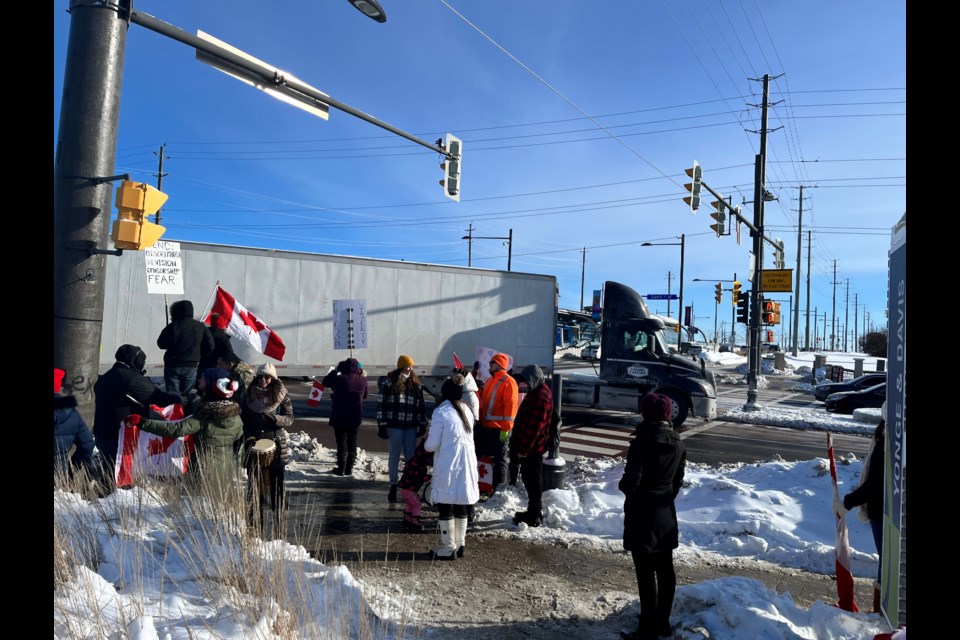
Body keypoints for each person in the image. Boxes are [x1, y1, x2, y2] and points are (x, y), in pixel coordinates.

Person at [618, 392, 686, 640]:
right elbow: (678, 480)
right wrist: (664, 495)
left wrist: (625, 489)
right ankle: (662, 623)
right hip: (665, 511)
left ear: (646, 414)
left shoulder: (641, 442)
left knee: (645, 572)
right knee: (665, 569)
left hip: (642, 512)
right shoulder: (678, 441)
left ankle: (647, 628)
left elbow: (630, 481)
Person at [129, 368, 243, 500]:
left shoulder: (205, 416)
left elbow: (177, 429)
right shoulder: (236, 417)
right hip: (225, 469)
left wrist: (143, 423)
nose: (199, 380)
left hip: (203, 469)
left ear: (213, 386)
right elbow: (238, 435)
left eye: (203, 379)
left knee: (198, 504)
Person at [93, 344, 183, 493]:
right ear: (134, 360)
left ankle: (105, 491)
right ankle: (116, 495)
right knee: (119, 467)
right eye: (142, 360)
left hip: (102, 428)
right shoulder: (130, 378)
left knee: (109, 464)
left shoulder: (108, 375)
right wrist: (178, 399)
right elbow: (156, 397)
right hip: (119, 431)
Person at [837, 402, 886, 613]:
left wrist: (847, 503)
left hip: (884, 512)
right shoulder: (888, 435)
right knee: (889, 562)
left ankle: (882, 612)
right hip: (884, 510)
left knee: (888, 564)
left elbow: (876, 483)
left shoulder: (889, 439)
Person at [424, 375, 479, 560]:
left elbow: (431, 445)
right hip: (467, 464)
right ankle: (460, 544)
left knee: (446, 504)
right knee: (460, 502)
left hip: (449, 464)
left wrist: (425, 443)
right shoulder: (468, 410)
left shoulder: (442, 412)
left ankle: (448, 548)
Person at [241, 362, 294, 537]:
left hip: (276, 446)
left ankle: (280, 528)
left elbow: (290, 418)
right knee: (255, 489)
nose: (263, 379)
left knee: (277, 488)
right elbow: (244, 421)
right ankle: (255, 528)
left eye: (267, 377)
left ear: (273, 379)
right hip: (255, 446)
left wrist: (276, 419)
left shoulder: (281, 395)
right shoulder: (249, 395)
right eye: (261, 376)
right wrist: (248, 438)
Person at [377, 355, 428, 503]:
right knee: (394, 455)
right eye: (407, 366)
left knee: (410, 457)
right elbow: (382, 405)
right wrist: (382, 424)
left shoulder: (416, 384)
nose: (409, 368)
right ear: (401, 366)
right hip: (395, 425)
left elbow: (420, 405)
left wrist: (422, 422)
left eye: (411, 366)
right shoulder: (389, 383)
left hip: (410, 427)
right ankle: (393, 485)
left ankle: (408, 485)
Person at [510, 364, 554, 527]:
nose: (526, 384)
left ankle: (534, 515)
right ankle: (533, 511)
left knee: (533, 481)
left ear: (535, 379)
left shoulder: (540, 397)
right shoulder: (536, 391)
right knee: (530, 480)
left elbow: (534, 428)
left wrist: (523, 450)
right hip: (530, 447)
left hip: (532, 449)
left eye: (528, 381)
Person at [476, 352, 519, 496]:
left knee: (500, 460)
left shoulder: (509, 382)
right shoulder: (490, 380)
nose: (489, 365)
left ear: (499, 365)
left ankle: (499, 492)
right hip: (486, 427)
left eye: (492, 363)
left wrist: (506, 429)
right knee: (485, 458)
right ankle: (486, 486)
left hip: (499, 429)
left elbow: (511, 408)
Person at [322, 358, 369, 476]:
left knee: (341, 443)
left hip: (340, 415)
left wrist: (336, 370)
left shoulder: (339, 379)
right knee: (352, 442)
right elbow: (365, 396)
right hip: (355, 416)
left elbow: (325, 382)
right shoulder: (362, 380)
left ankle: (341, 468)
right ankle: (349, 468)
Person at [157, 299, 215, 395]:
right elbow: (210, 345)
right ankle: (186, 409)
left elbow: (161, 344)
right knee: (188, 394)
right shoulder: (200, 327)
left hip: (172, 365)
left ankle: (175, 408)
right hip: (191, 365)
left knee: (172, 395)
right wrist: (199, 355)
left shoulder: (172, 326)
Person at [54, 368, 95, 484]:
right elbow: (88, 445)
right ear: (60, 388)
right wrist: (72, 467)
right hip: (59, 476)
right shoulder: (72, 414)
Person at [397, 439, 433, 533]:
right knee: (417, 505)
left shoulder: (412, 460)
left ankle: (406, 521)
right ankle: (414, 523)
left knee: (410, 505)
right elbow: (422, 477)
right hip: (410, 490)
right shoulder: (420, 466)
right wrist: (431, 478)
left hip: (404, 489)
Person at [197, 312, 234, 378]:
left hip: (203, 364)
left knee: (201, 384)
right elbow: (230, 352)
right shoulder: (224, 337)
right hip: (217, 367)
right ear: (221, 324)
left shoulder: (204, 332)